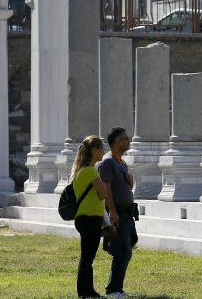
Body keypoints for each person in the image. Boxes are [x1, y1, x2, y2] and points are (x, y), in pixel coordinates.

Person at [98, 126, 135, 298]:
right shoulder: (108, 162)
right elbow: (106, 188)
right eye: (126, 138)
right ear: (118, 141)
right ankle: (112, 290)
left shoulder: (121, 163)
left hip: (127, 213)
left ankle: (118, 288)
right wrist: (112, 212)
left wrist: (130, 182)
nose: (129, 141)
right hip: (118, 213)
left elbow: (125, 188)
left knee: (126, 251)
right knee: (121, 251)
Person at [71, 135, 108, 299]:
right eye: (102, 149)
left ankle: (86, 291)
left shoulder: (80, 171)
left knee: (86, 257)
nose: (104, 152)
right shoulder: (90, 171)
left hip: (83, 218)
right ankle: (86, 292)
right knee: (87, 258)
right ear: (94, 150)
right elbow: (103, 194)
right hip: (91, 218)